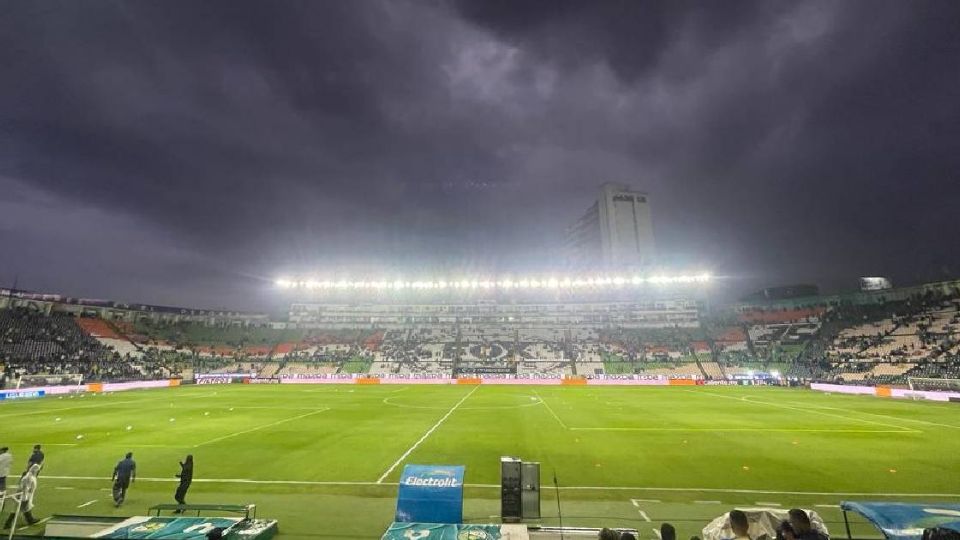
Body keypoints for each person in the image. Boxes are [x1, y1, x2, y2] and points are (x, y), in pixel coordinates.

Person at [3, 464, 40, 529]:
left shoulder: (29, 476)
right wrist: (25, 497)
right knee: (19, 509)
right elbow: (25, 488)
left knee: (24, 508)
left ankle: (30, 519)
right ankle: (8, 524)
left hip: (23, 495)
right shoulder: (29, 478)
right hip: (23, 496)